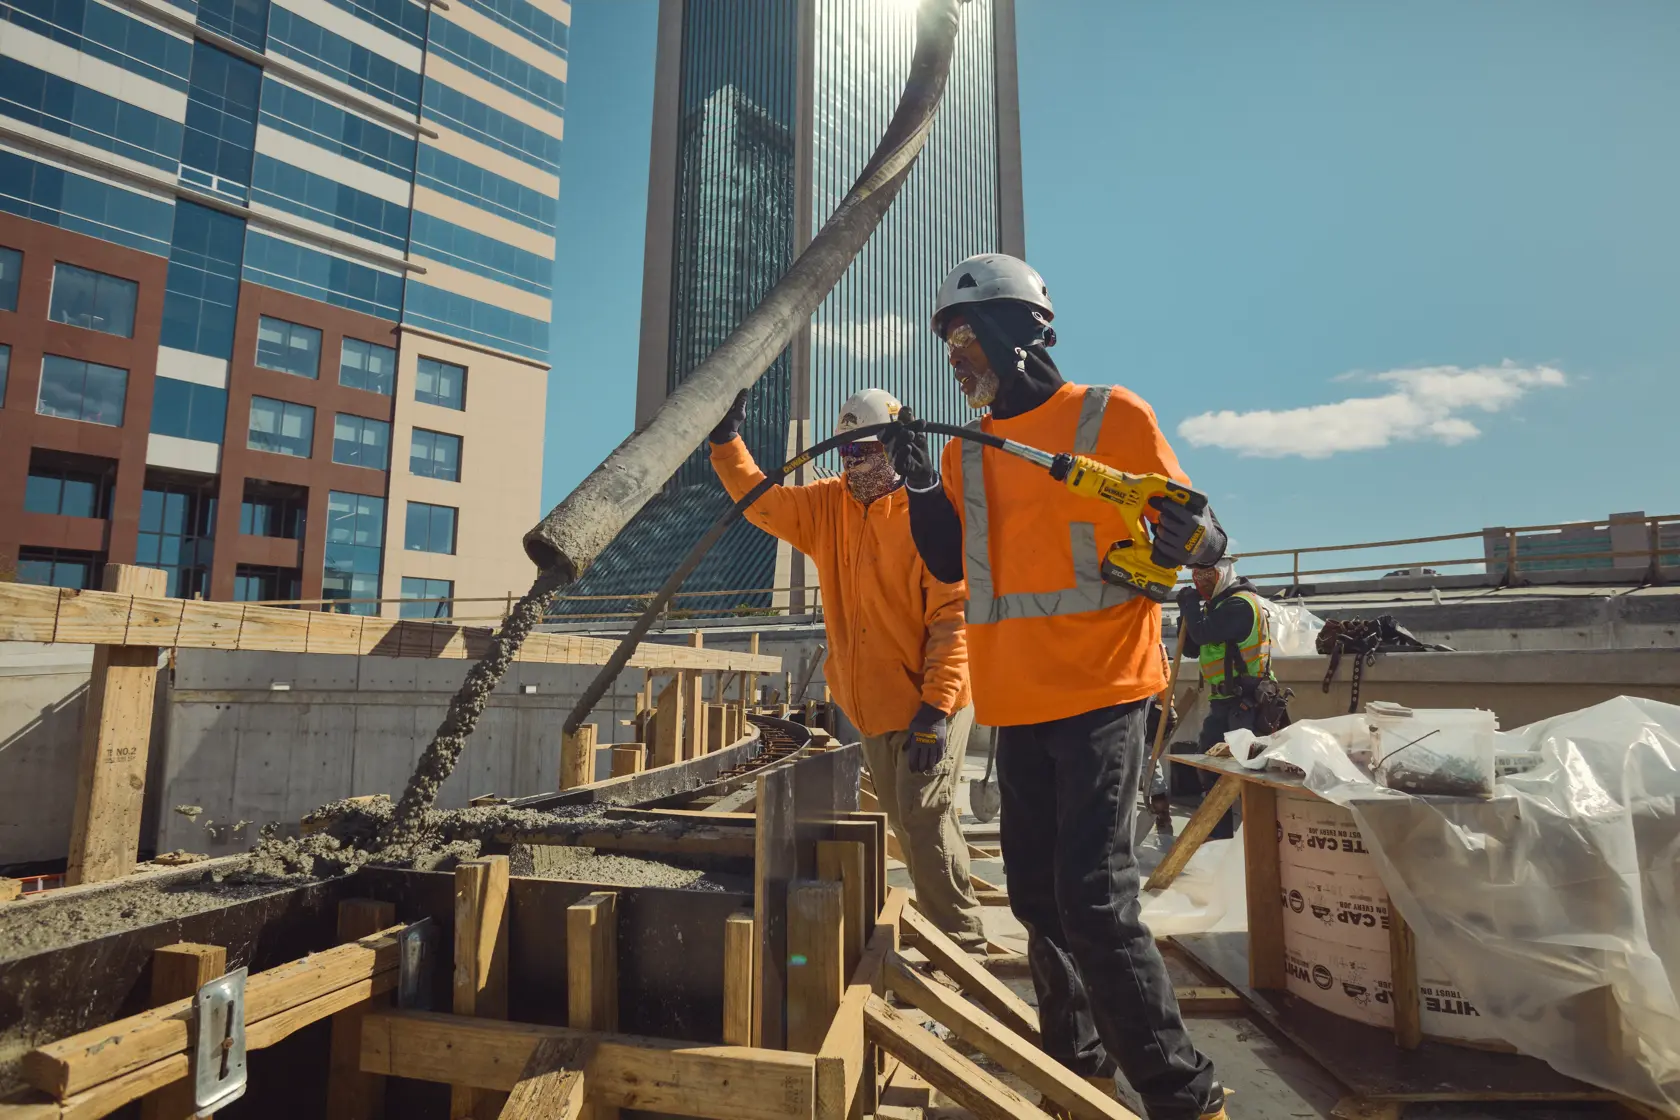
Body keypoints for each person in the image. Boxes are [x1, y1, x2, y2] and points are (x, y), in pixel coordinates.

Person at [881, 253, 1228, 1120]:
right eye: (949, 341)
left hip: (1105, 690)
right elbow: (945, 559)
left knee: (1095, 900)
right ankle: (1077, 1063)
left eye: (968, 334)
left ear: (1027, 329)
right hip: (1015, 703)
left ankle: (1184, 1096)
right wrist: (922, 481)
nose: (957, 354)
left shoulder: (1110, 415)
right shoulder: (968, 454)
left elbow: (1205, 532)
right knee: (1037, 897)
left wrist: (1191, 536)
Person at [708, 386, 986, 947]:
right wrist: (726, 443)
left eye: (869, 451)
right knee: (909, 823)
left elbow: (953, 618)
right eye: (849, 453)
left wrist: (934, 707)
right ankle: (948, 920)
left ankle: (964, 943)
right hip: (874, 705)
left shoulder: (927, 514)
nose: (857, 464)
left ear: (894, 448)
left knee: (924, 816)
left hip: (933, 699)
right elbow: (762, 501)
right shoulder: (826, 506)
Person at [1175, 558, 1279, 840]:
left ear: (1224, 572)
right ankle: (1217, 837)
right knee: (1210, 768)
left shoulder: (1240, 605)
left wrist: (1189, 606)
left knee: (1246, 776)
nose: (1201, 580)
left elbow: (1204, 632)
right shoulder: (1217, 606)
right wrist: (1186, 615)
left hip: (1245, 703)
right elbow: (1194, 648)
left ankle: (1259, 841)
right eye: (1196, 574)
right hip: (1224, 702)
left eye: (1208, 573)